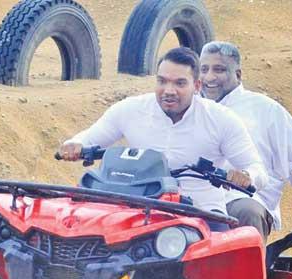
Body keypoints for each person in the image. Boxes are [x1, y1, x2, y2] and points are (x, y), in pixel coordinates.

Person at [58, 47, 268, 231]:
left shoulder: (221, 119)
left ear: (197, 86)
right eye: (162, 81)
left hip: (200, 213)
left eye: (179, 83)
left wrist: (246, 176)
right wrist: (74, 145)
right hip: (136, 209)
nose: (169, 91)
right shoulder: (131, 109)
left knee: (220, 262)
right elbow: (91, 137)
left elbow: (258, 170)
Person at [199, 41, 292, 241]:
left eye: (219, 69)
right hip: (192, 198)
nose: (209, 77)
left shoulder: (266, 110)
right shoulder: (189, 108)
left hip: (240, 200)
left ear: (238, 75)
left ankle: (248, 272)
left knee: (246, 212)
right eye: (204, 69)